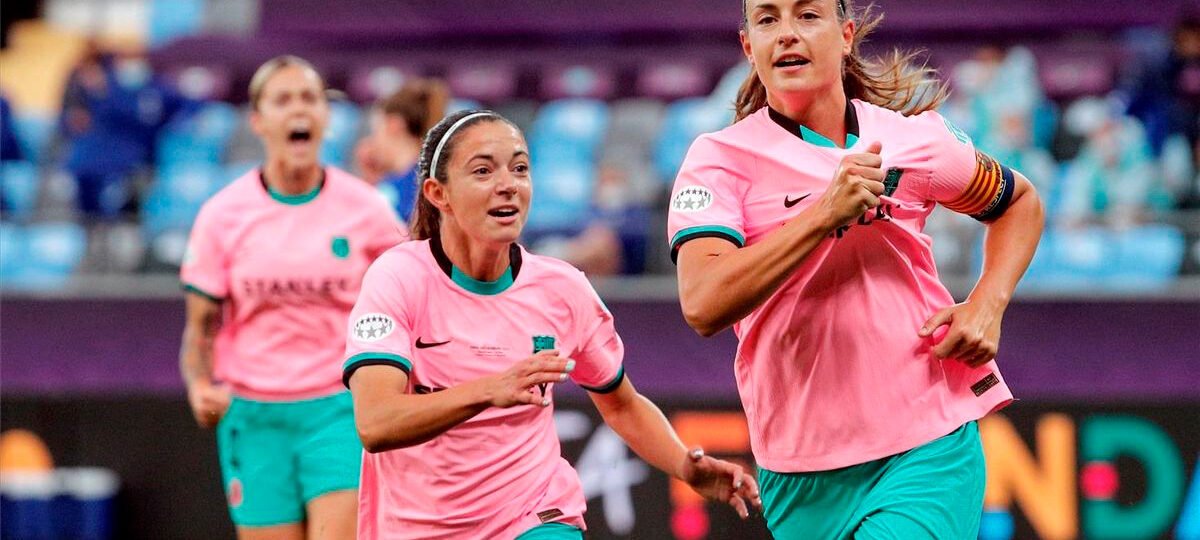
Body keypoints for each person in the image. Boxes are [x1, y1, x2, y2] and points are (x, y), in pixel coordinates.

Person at [667, 1, 1045, 538]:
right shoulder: (718, 162)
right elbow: (702, 303)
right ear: (749, 47)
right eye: (768, 19)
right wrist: (824, 214)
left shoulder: (914, 141)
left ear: (846, 35)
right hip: (798, 469)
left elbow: (1019, 203)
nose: (788, 34)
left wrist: (988, 302)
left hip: (924, 444)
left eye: (808, 15)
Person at [343, 109, 761, 539]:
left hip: (531, 516)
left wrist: (682, 464)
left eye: (520, 168)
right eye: (483, 170)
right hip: (416, 526)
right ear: (438, 193)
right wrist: (490, 389)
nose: (508, 183)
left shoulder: (562, 288)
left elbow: (621, 403)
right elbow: (377, 423)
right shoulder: (397, 278)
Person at [179, 55, 406, 540]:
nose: (298, 110)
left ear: (326, 117)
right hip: (253, 417)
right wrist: (200, 385)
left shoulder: (368, 212)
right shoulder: (223, 215)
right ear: (259, 121)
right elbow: (200, 327)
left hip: (340, 409)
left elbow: (410, 302)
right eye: (282, 100)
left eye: (310, 98)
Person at [355, 78, 449, 221]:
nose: (372, 142)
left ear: (394, 125)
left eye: (376, 131)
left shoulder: (391, 190)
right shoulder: (440, 177)